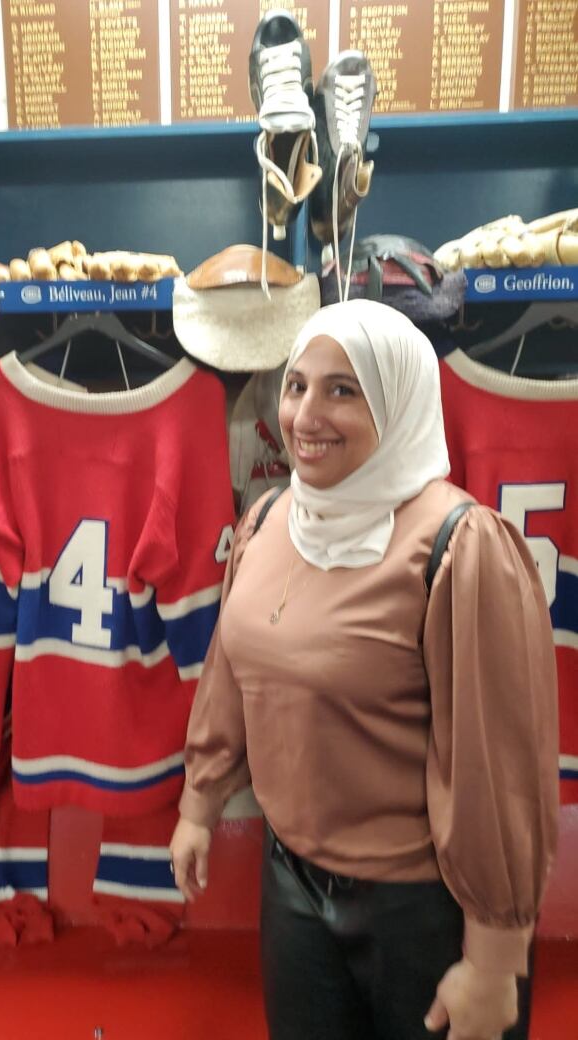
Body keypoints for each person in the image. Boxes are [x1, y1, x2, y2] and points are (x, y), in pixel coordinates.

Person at [169, 299, 559, 1040]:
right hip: (292, 889)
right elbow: (232, 671)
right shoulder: (268, 518)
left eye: (343, 390)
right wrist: (201, 802)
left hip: (420, 909)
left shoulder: (458, 546)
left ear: (399, 402)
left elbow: (498, 768)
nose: (306, 415)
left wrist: (496, 957)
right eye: (296, 385)